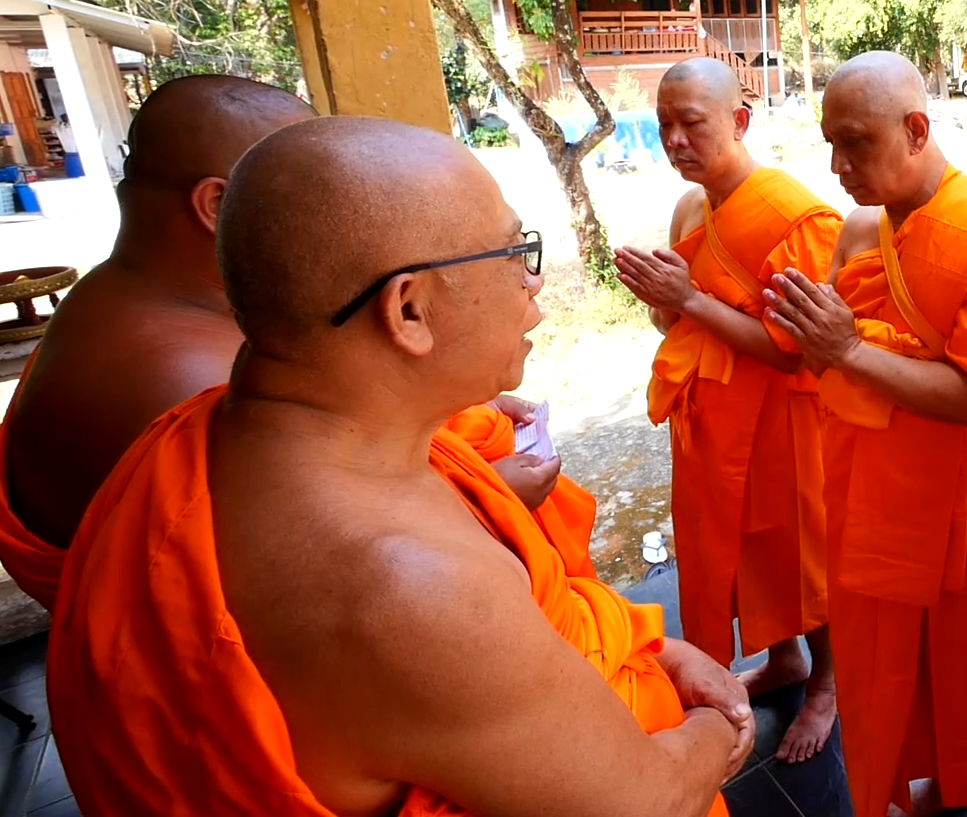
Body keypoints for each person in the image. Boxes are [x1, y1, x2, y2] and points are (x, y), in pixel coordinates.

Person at [49, 117, 747, 816]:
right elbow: (644, 803)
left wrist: (663, 653)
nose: (534, 283)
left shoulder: (215, 438)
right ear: (409, 310)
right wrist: (721, 723)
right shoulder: (404, 589)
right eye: (515, 254)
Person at [0, 77, 582, 610]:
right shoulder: (179, 379)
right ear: (218, 206)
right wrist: (484, 503)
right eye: (309, 177)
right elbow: (310, 579)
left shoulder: (145, 296)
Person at [766, 51, 967, 817]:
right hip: (873, 485)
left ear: (917, 130)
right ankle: (908, 784)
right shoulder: (862, 227)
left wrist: (848, 349)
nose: (838, 166)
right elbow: (834, 347)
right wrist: (817, 333)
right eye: (830, 144)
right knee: (886, 659)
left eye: (856, 143)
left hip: (965, 500)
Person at [0, 76, 315, 607]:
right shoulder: (190, 382)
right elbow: (310, 586)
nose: (345, 204)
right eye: (321, 185)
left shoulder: (114, 294)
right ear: (218, 204)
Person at [617, 57, 842, 763]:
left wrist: (687, 298)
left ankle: (826, 684)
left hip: (782, 418)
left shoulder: (795, 217)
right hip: (712, 414)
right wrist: (667, 301)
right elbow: (679, 321)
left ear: (739, 121)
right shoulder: (692, 207)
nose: (675, 140)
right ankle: (785, 659)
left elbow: (794, 353)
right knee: (737, 550)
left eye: (692, 123)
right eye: (664, 125)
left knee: (800, 554)